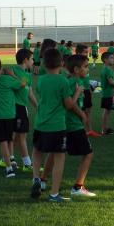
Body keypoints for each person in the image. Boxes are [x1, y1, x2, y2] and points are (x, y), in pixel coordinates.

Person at [31, 48, 87, 203]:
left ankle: (36, 178)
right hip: (56, 125)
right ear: (62, 63)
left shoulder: (41, 79)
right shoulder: (62, 80)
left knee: (37, 151)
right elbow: (69, 105)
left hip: (40, 122)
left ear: (43, 63)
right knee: (59, 159)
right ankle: (54, 194)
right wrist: (77, 93)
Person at [0, 56, 26, 178]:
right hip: (10, 115)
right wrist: (12, 74)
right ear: (0, 67)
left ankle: (9, 166)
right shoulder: (7, 80)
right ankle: (9, 166)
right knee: (8, 139)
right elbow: (22, 83)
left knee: (3, 141)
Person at [9, 49, 38, 172]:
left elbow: (29, 92)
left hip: (22, 107)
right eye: (32, 59)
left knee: (17, 135)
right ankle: (26, 163)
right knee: (20, 136)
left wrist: (37, 106)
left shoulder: (27, 75)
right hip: (15, 106)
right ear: (25, 60)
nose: (33, 61)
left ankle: (9, 158)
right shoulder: (13, 70)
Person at [75, 44, 99, 137]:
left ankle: (89, 130)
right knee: (80, 112)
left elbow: (86, 77)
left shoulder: (85, 62)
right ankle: (81, 131)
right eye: (85, 52)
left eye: (87, 52)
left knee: (88, 111)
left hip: (87, 89)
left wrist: (90, 89)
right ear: (78, 52)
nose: (86, 54)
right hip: (80, 91)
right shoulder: (76, 64)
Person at [100, 52, 114, 135]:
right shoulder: (108, 70)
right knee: (107, 112)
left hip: (106, 93)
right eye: (111, 58)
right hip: (108, 94)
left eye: (113, 58)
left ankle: (105, 128)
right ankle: (104, 129)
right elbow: (111, 82)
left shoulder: (104, 68)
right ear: (105, 60)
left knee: (107, 111)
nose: (113, 59)